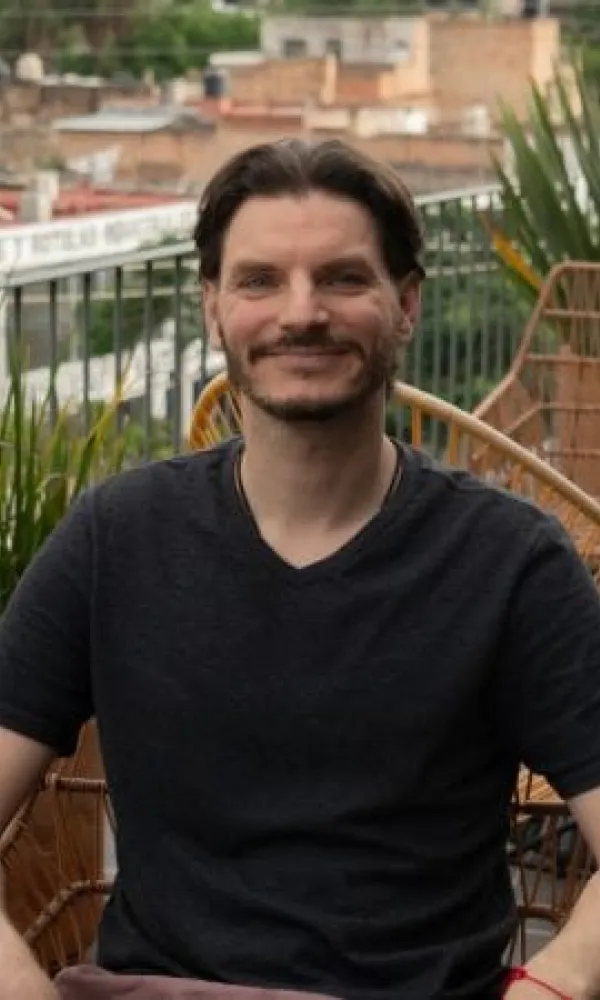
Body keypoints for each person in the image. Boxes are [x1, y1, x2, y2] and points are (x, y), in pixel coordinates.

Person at [1, 138, 600, 1000]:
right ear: (213, 307)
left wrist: (552, 985)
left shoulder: (510, 561)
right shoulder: (116, 539)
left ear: (407, 305)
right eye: (259, 281)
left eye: (343, 279)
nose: (301, 312)